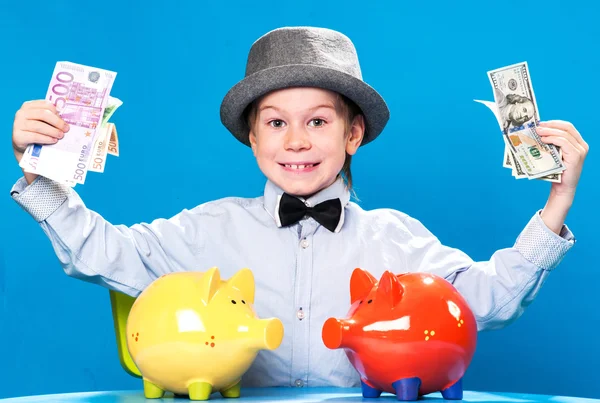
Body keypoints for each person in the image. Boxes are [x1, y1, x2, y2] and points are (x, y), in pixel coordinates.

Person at [10, 27, 588, 390]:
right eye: (276, 123)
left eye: (318, 121)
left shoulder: (396, 239)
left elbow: (485, 299)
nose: (297, 141)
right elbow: (103, 254)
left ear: (353, 133)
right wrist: (41, 174)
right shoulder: (207, 229)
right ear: (253, 140)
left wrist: (557, 200)